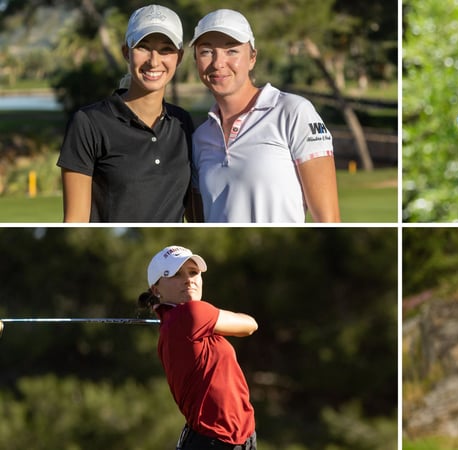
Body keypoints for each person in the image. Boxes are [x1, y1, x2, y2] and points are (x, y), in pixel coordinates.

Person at [189, 9, 340, 223]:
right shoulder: (200, 137)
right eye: (206, 51)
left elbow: (329, 220)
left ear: (252, 58)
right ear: (195, 60)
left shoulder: (294, 112)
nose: (218, 63)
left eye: (231, 51)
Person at [57, 5, 200, 222]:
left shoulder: (183, 122)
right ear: (126, 52)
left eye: (165, 49)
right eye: (143, 47)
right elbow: (75, 221)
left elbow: (195, 217)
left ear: (179, 57)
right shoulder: (88, 123)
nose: (154, 61)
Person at [139, 245, 258, 449]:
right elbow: (250, 324)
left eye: (193, 272)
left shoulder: (175, 321)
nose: (189, 280)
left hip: (238, 439)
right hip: (215, 442)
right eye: (176, 274)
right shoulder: (191, 314)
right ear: (156, 289)